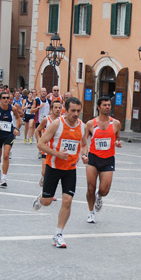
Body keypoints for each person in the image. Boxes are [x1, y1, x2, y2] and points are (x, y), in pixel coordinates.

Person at [34, 97, 88, 249]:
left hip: (70, 169)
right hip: (53, 166)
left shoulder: (82, 127)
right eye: (73, 111)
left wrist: (84, 155)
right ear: (66, 110)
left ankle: (58, 233)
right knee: (47, 201)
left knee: (67, 200)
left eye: (78, 111)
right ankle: (41, 198)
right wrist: (57, 153)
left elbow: (84, 144)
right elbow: (41, 144)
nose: (76, 114)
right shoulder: (57, 124)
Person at [84, 96, 122, 224]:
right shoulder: (90, 124)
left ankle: (99, 196)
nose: (107, 107)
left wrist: (117, 142)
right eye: (105, 105)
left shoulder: (116, 123)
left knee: (105, 190)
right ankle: (91, 213)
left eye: (109, 105)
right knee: (90, 188)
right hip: (93, 158)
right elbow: (84, 142)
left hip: (108, 159)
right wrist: (84, 155)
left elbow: (117, 137)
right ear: (99, 107)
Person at [34, 100, 62, 191]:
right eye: (56, 108)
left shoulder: (62, 121)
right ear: (51, 109)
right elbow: (37, 130)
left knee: (54, 172)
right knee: (45, 171)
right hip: (46, 149)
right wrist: (39, 141)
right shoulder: (46, 120)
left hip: (56, 149)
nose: (58, 110)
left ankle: (49, 191)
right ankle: (45, 187)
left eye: (59, 108)